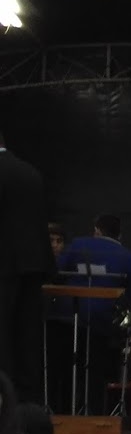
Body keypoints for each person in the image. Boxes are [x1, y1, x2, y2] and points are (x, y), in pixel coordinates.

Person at [58, 215, 131, 414]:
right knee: (96, 372)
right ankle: (94, 413)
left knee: (64, 369)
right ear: (119, 234)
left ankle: (63, 411)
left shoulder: (77, 245)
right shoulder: (129, 257)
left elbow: (57, 272)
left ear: (97, 230)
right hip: (103, 322)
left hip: (68, 317)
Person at [0, 133, 51, 404]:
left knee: (3, 341)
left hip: (4, 266)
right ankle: (29, 407)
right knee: (28, 341)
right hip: (32, 266)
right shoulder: (31, 173)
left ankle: (5, 404)